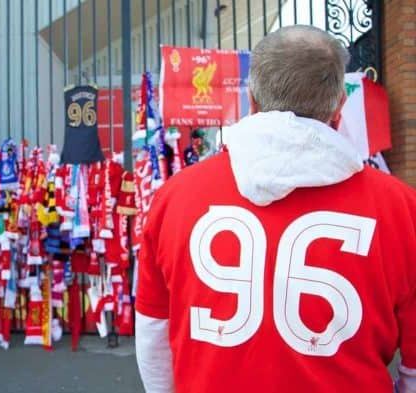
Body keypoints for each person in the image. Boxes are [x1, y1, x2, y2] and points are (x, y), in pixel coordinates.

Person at [135, 25, 416, 393]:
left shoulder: (175, 197)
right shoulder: (400, 208)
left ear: (251, 100)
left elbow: (154, 336)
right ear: (339, 106)